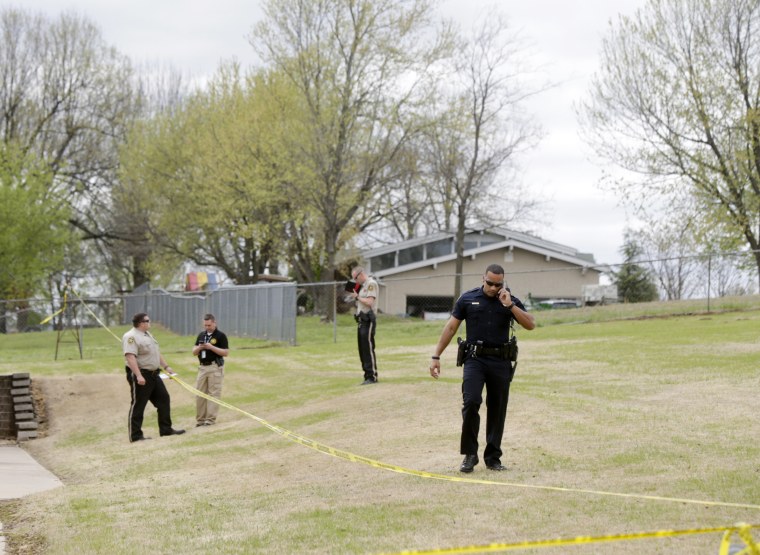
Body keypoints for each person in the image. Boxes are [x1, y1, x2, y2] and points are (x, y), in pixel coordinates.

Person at [429, 264, 535, 473]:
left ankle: (493, 457)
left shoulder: (509, 300)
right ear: (482, 279)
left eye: (498, 284)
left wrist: (510, 305)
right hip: (475, 359)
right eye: (490, 283)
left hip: (500, 360)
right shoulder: (467, 298)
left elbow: (531, 324)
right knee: (471, 401)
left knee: (497, 409)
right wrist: (436, 356)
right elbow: (451, 327)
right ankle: (470, 455)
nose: (494, 288)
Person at [123, 312, 185, 442]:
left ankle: (166, 429)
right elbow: (130, 357)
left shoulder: (148, 335)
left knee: (163, 399)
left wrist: (167, 367)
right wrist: (138, 376)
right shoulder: (131, 337)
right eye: (147, 320)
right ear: (141, 323)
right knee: (139, 405)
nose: (149, 322)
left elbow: (156, 352)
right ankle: (135, 435)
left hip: (154, 374)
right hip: (141, 374)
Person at [191, 313, 230, 427]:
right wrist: (200, 347)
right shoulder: (201, 335)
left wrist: (211, 347)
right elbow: (194, 352)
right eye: (205, 325)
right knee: (199, 394)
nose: (207, 327)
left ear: (214, 323)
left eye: (209, 325)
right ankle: (200, 420)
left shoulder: (220, 335)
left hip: (214, 367)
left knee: (213, 394)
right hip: (202, 367)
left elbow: (226, 353)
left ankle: (210, 420)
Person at [350, 266, 378, 385]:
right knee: (362, 349)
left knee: (368, 348)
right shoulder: (362, 286)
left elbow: (369, 302)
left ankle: (372, 376)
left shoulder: (371, 284)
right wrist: (356, 294)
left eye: (356, 278)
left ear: (361, 274)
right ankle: (367, 375)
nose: (355, 281)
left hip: (368, 319)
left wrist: (358, 297)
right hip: (361, 320)